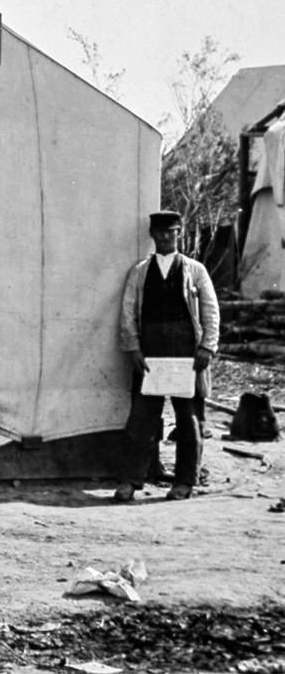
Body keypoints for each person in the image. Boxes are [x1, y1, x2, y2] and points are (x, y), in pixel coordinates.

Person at [113, 210, 220, 503]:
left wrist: (207, 347)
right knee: (140, 420)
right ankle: (130, 481)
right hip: (151, 354)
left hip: (188, 354)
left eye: (171, 232)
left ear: (179, 233)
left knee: (190, 420)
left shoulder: (195, 270)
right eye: (159, 232)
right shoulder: (139, 272)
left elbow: (210, 311)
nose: (165, 237)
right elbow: (128, 312)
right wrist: (133, 348)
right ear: (152, 235)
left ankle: (184, 482)